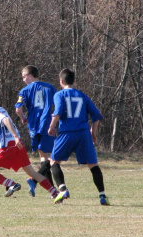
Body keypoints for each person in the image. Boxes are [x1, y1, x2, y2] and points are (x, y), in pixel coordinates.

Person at [0, 89, 67, 203]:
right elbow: (5, 128)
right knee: (32, 173)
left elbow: (6, 120)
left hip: (8, 147)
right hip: (17, 145)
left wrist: (15, 137)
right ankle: (54, 193)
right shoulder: (1, 109)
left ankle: (11, 184)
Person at [47, 68, 110, 205]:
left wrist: (51, 126)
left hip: (67, 133)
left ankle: (63, 189)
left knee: (54, 162)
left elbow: (57, 112)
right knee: (93, 165)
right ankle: (102, 195)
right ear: (73, 81)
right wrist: (92, 133)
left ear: (61, 81)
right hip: (83, 134)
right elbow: (96, 116)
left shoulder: (59, 95)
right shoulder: (82, 95)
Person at [15, 65, 56, 197]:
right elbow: (58, 105)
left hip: (33, 126)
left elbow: (18, 109)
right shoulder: (50, 87)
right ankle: (34, 180)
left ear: (30, 76)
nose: (23, 80)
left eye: (24, 77)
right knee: (49, 158)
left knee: (43, 157)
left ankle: (52, 190)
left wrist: (23, 118)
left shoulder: (25, 90)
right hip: (47, 124)